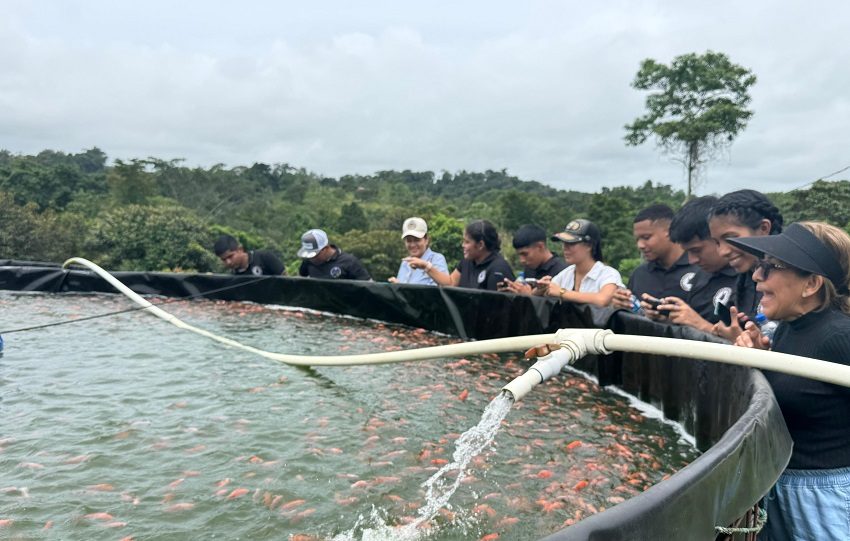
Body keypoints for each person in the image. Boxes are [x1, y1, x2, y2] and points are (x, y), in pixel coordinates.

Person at [730, 221, 850, 540]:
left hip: (826, 498)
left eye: (770, 267)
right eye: (759, 266)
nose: (756, 276)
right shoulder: (786, 329)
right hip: (783, 484)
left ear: (810, 284)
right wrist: (759, 359)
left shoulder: (839, 336)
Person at [707, 190, 783, 340]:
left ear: (763, 228)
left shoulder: (790, 277)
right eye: (716, 242)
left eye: (730, 238)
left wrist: (740, 340)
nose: (722, 252)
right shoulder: (745, 279)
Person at [657, 196, 737, 333]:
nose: (692, 260)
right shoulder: (701, 276)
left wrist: (701, 325)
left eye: (696, 250)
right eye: (687, 252)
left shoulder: (751, 280)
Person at [611, 204, 697, 315]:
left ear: (670, 232)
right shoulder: (639, 274)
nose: (640, 245)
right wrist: (620, 306)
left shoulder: (700, 269)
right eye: (637, 239)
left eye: (646, 237)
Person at [409, 219, 514, 290]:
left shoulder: (498, 269)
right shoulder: (467, 261)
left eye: (467, 242)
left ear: (480, 244)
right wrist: (426, 266)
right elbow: (450, 283)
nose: (463, 245)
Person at [540, 219, 624, 307]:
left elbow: (602, 300)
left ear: (589, 246)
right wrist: (540, 289)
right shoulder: (566, 274)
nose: (565, 248)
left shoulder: (608, 274)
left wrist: (562, 292)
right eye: (564, 243)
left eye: (571, 243)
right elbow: (551, 290)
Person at [501, 224, 568, 295]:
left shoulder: (563, 272)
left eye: (525, 254)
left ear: (540, 247)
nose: (522, 260)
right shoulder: (530, 269)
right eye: (519, 255)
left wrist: (529, 297)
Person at [389, 217, 448, 286]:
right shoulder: (405, 263)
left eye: (417, 240)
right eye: (409, 240)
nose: (413, 245)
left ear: (426, 240)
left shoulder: (436, 259)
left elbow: (437, 291)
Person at [297, 229, 371, 280]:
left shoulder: (349, 262)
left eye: (315, 255)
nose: (312, 259)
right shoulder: (308, 261)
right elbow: (300, 280)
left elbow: (369, 286)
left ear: (326, 248)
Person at [213, 234, 285, 276]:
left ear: (240, 250)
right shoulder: (233, 276)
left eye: (230, 256)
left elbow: (286, 279)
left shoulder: (265, 257)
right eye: (224, 260)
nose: (228, 262)